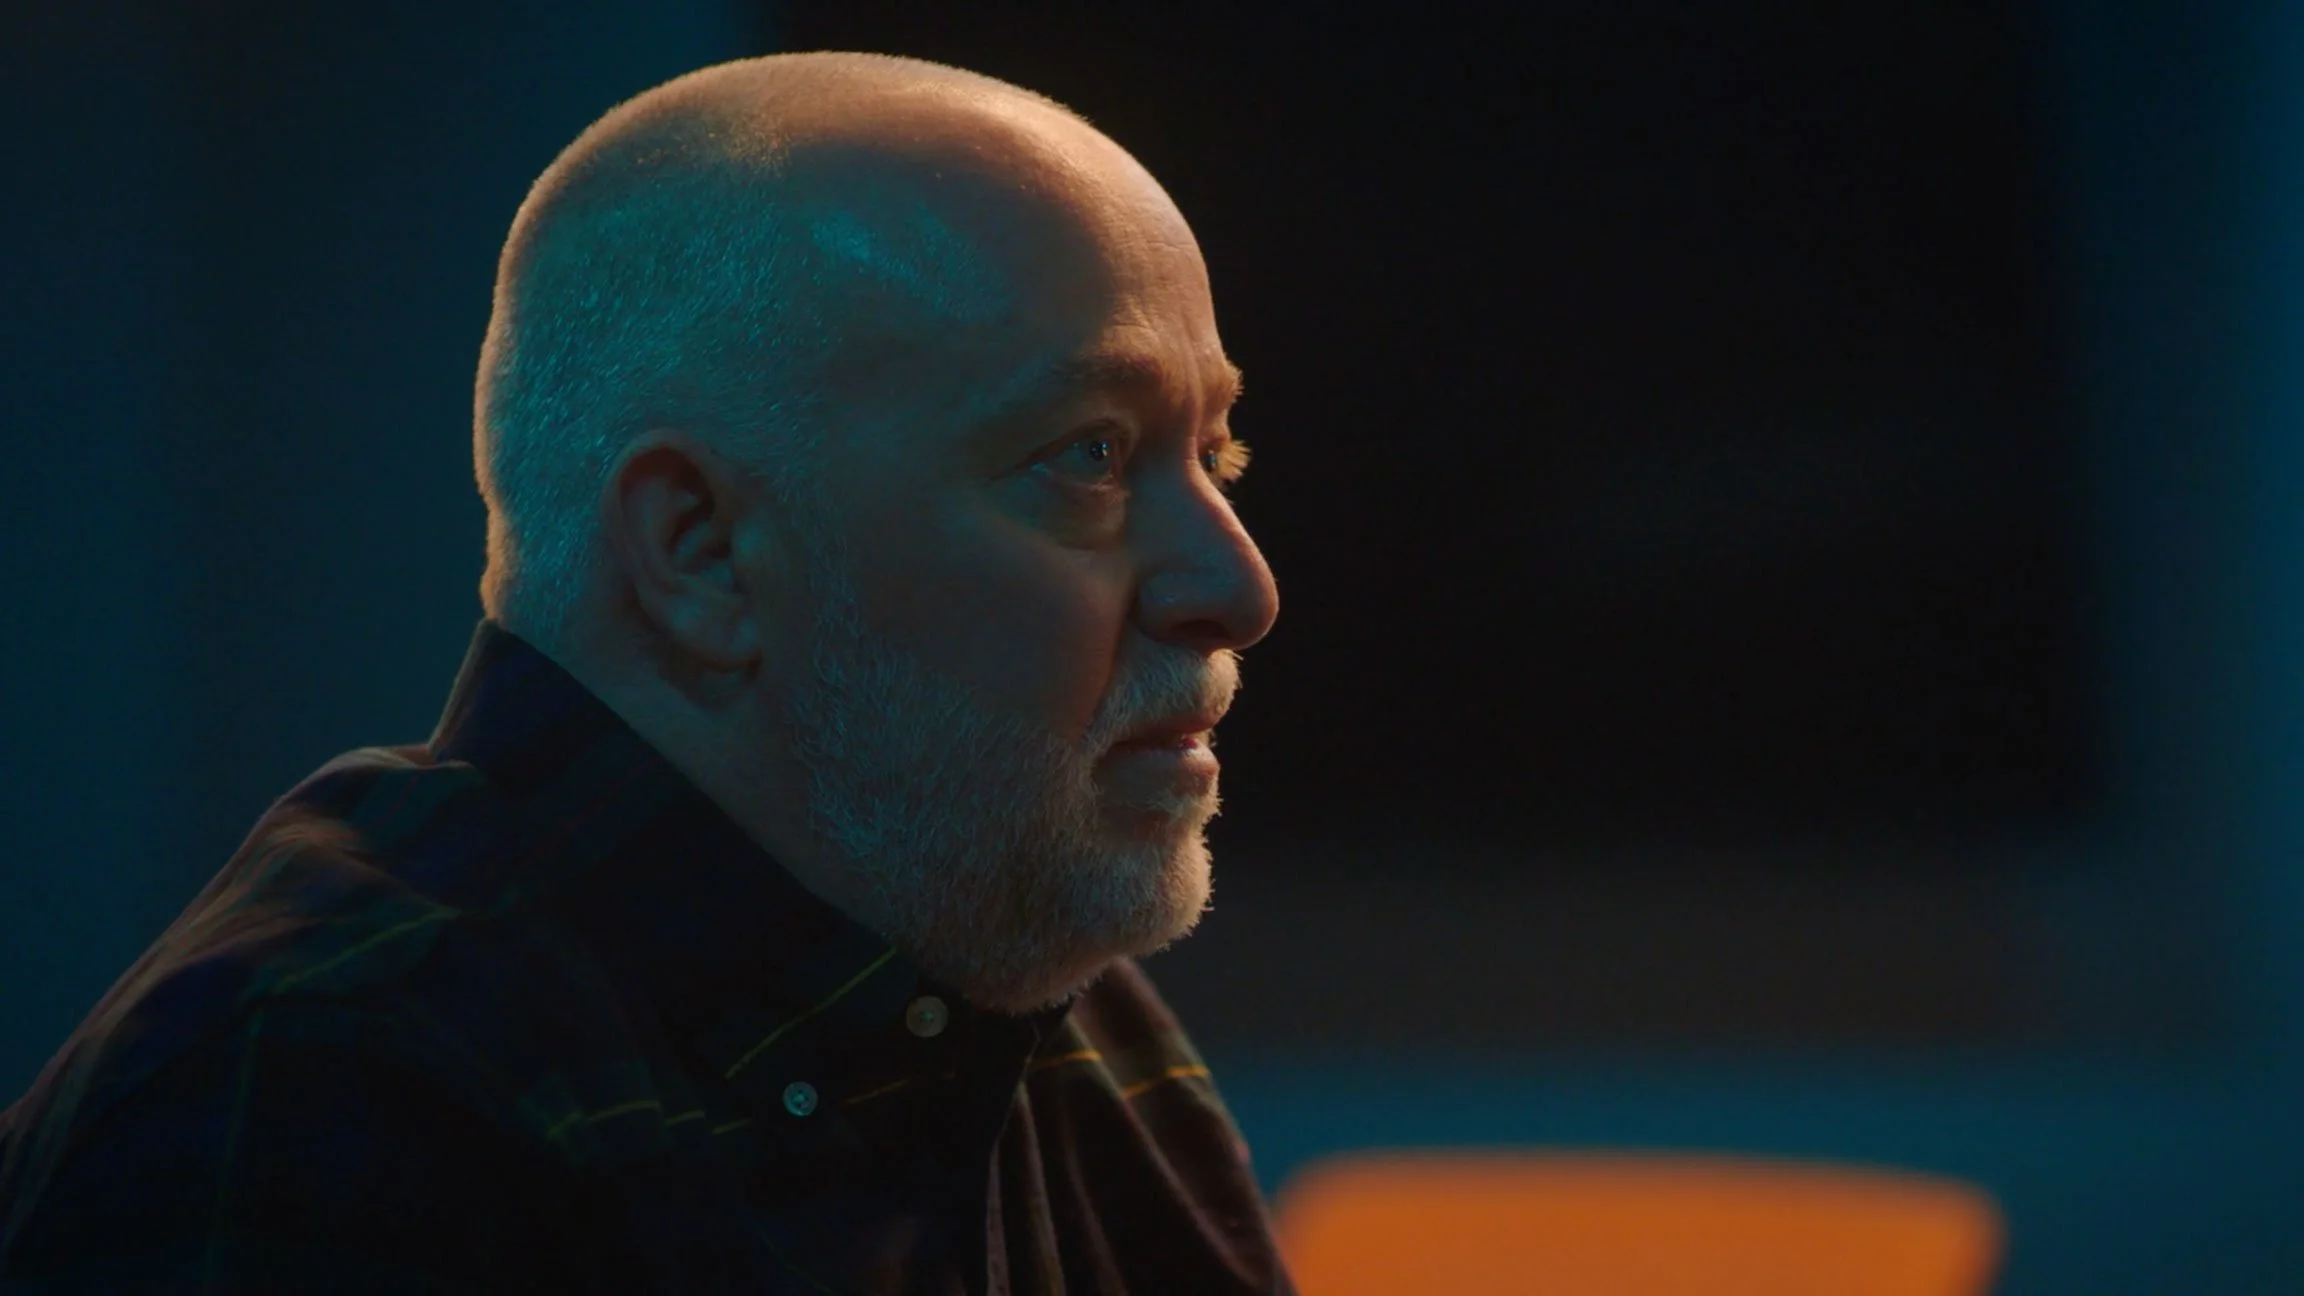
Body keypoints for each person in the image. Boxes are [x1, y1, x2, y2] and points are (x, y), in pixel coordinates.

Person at [0, 51, 1290, 1294]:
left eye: (1213, 459)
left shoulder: (1046, 1017)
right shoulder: (332, 1093)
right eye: (1091, 458)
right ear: (702, 552)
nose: (1237, 590)